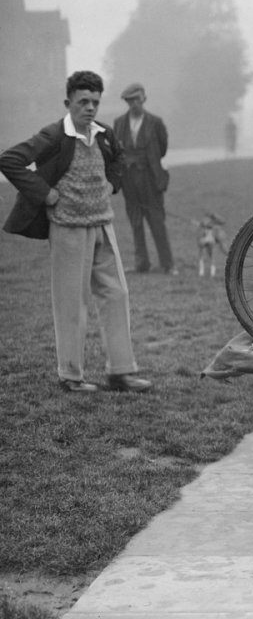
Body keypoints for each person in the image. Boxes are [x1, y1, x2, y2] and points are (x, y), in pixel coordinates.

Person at [0, 71, 153, 394]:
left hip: (102, 226)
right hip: (68, 229)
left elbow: (119, 159)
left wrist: (112, 183)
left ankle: (121, 373)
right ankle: (71, 376)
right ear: (68, 102)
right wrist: (45, 194)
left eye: (95, 102)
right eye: (83, 101)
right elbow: (10, 160)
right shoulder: (54, 135)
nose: (90, 108)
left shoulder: (104, 133)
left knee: (117, 295)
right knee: (72, 302)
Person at [112, 83, 175, 275]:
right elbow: (116, 151)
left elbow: (162, 149)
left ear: (144, 99)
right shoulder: (119, 123)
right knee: (135, 221)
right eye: (130, 101)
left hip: (150, 179)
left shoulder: (155, 122)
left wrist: (148, 162)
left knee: (156, 220)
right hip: (129, 181)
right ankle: (142, 263)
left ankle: (167, 264)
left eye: (137, 100)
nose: (134, 104)